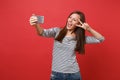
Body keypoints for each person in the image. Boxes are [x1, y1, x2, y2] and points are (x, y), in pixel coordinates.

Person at [29, 11, 105, 80]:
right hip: (56, 74)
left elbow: (101, 39)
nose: (70, 20)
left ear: (78, 24)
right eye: (70, 17)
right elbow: (42, 33)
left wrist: (89, 29)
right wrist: (36, 25)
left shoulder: (80, 38)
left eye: (74, 20)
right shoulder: (57, 31)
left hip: (73, 74)